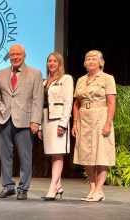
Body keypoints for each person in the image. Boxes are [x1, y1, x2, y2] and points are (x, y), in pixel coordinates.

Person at [0, 44, 44, 200]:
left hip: (25, 120)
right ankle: (8, 187)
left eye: (18, 54)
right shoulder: (1, 73)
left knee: (25, 156)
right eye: (12, 54)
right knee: (5, 155)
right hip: (3, 119)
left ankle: (23, 188)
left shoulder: (35, 73)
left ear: (24, 56)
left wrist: (35, 120)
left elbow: (38, 99)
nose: (15, 57)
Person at [71, 50, 116, 202]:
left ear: (100, 62)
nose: (90, 61)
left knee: (101, 154)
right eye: (88, 59)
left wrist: (108, 123)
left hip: (101, 116)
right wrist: (75, 123)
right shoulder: (81, 80)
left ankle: (99, 189)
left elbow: (111, 102)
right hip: (84, 117)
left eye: (94, 59)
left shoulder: (107, 78)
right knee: (86, 155)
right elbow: (76, 103)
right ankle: (93, 188)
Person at [38, 52, 74, 200]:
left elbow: (68, 102)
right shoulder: (45, 82)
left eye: (54, 61)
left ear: (59, 63)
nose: (51, 63)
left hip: (59, 120)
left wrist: (63, 124)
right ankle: (58, 185)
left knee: (58, 153)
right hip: (46, 120)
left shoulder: (66, 79)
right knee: (53, 153)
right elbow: (41, 105)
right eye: (49, 61)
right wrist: (40, 126)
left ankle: (52, 187)